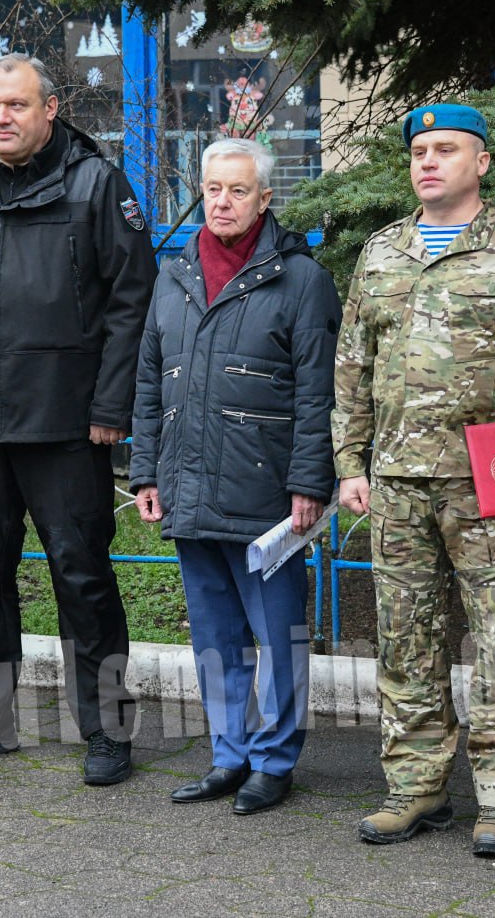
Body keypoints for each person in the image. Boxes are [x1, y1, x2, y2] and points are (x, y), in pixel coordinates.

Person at [333, 104, 495, 855]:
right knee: (405, 641)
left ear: (481, 162)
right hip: (399, 484)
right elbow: (352, 368)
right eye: (419, 150)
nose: (428, 162)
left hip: (491, 487)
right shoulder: (383, 252)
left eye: (446, 149)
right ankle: (415, 789)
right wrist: (351, 464)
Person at [0, 53, 156, 782]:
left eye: (16, 105)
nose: (2, 119)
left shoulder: (95, 185)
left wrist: (112, 406)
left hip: (67, 426)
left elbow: (131, 302)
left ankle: (107, 732)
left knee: (82, 580)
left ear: (51, 109)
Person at [130, 138, 341, 814]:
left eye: (238, 190)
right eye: (213, 188)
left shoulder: (299, 279)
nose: (222, 201)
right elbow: (148, 380)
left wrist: (311, 481)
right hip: (189, 485)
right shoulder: (176, 273)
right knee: (215, 634)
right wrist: (145, 471)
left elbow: (320, 391)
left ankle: (275, 761)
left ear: (265, 199)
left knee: (277, 637)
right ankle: (230, 754)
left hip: (268, 494)